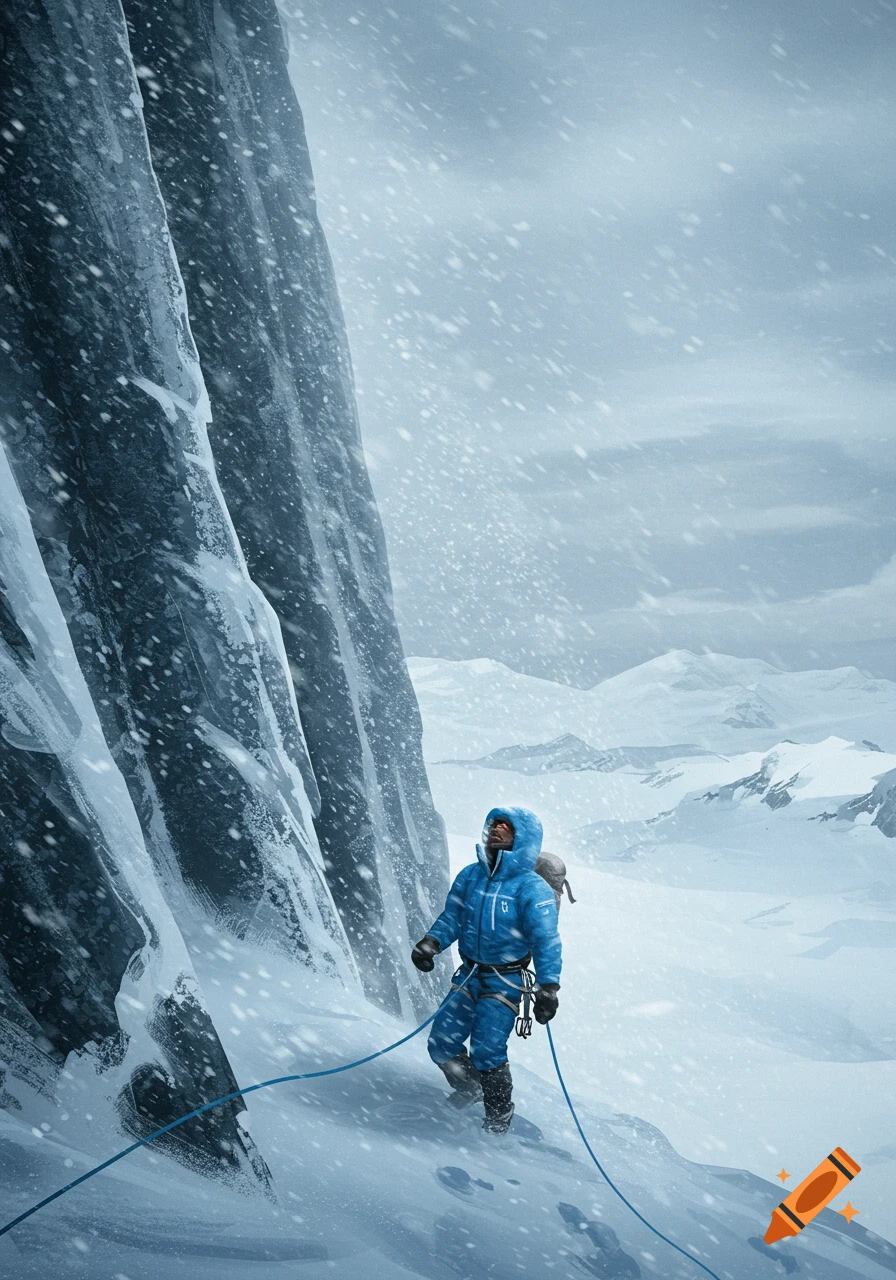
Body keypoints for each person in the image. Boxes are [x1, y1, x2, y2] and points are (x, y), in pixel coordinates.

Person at [411, 806, 561, 1134]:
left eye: (505, 826)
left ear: (522, 837)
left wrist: (549, 987)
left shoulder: (532, 889)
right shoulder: (471, 875)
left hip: (505, 981)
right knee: (441, 1042)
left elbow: (546, 940)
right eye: (494, 824)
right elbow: (453, 915)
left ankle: (497, 1118)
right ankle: (469, 1088)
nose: (496, 829)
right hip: (468, 974)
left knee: (488, 1050)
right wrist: (431, 943)